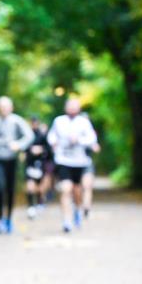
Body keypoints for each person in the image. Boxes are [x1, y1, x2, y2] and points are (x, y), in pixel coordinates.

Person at [0, 96, 34, 234]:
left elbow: (29, 136)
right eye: (1, 107)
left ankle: (9, 219)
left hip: (11, 159)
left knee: (10, 189)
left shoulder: (16, 121)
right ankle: (0, 219)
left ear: (11, 108)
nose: (4, 109)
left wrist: (19, 145)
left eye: (6, 107)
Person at [47, 97, 98, 233]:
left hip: (80, 162)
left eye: (75, 107)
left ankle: (77, 209)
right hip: (63, 161)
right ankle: (67, 220)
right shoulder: (58, 121)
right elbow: (51, 136)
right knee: (65, 188)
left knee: (77, 190)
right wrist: (53, 142)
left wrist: (79, 140)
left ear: (79, 109)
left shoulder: (84, 122)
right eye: (70, 106)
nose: (72, 109)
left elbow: (92, 138)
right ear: (65, 108)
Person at [23, 116, 52, 219]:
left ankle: (39, 202)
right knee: (30, 187)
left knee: (40, 188)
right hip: (30, 165)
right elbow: (23, 149)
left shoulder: (42, 136)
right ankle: (31, 207)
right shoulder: (27, 135)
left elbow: (49, 151)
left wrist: (41, 150)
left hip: (41, 166)